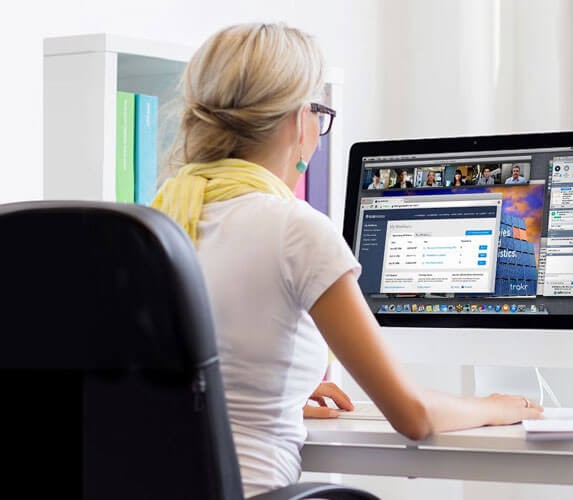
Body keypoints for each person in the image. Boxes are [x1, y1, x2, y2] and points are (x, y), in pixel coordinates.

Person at [151, 22, 542, 498]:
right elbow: (412, 415)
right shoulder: (294, 228)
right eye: (318, 110)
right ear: (300, 120)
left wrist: (275, 397)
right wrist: (496, 407)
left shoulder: (157, 224)